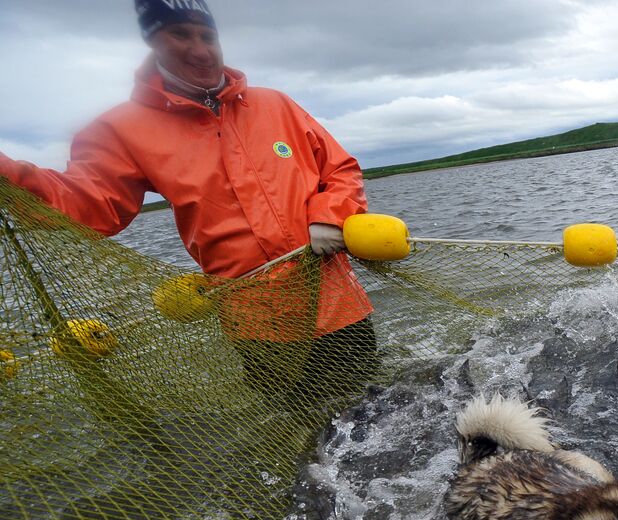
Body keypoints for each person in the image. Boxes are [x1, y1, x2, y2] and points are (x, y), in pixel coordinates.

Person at [0, 0, 377, 400]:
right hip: (257, 321)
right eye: (180, 34)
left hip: (339, 304)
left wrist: (331, 216)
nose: (200, 49)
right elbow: (88, 205)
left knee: (374, 408)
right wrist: (9, 177)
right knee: (303, 424)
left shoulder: (276, 104)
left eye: (207, 35)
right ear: (152, 40)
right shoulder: (120, 129)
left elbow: (340, 169)